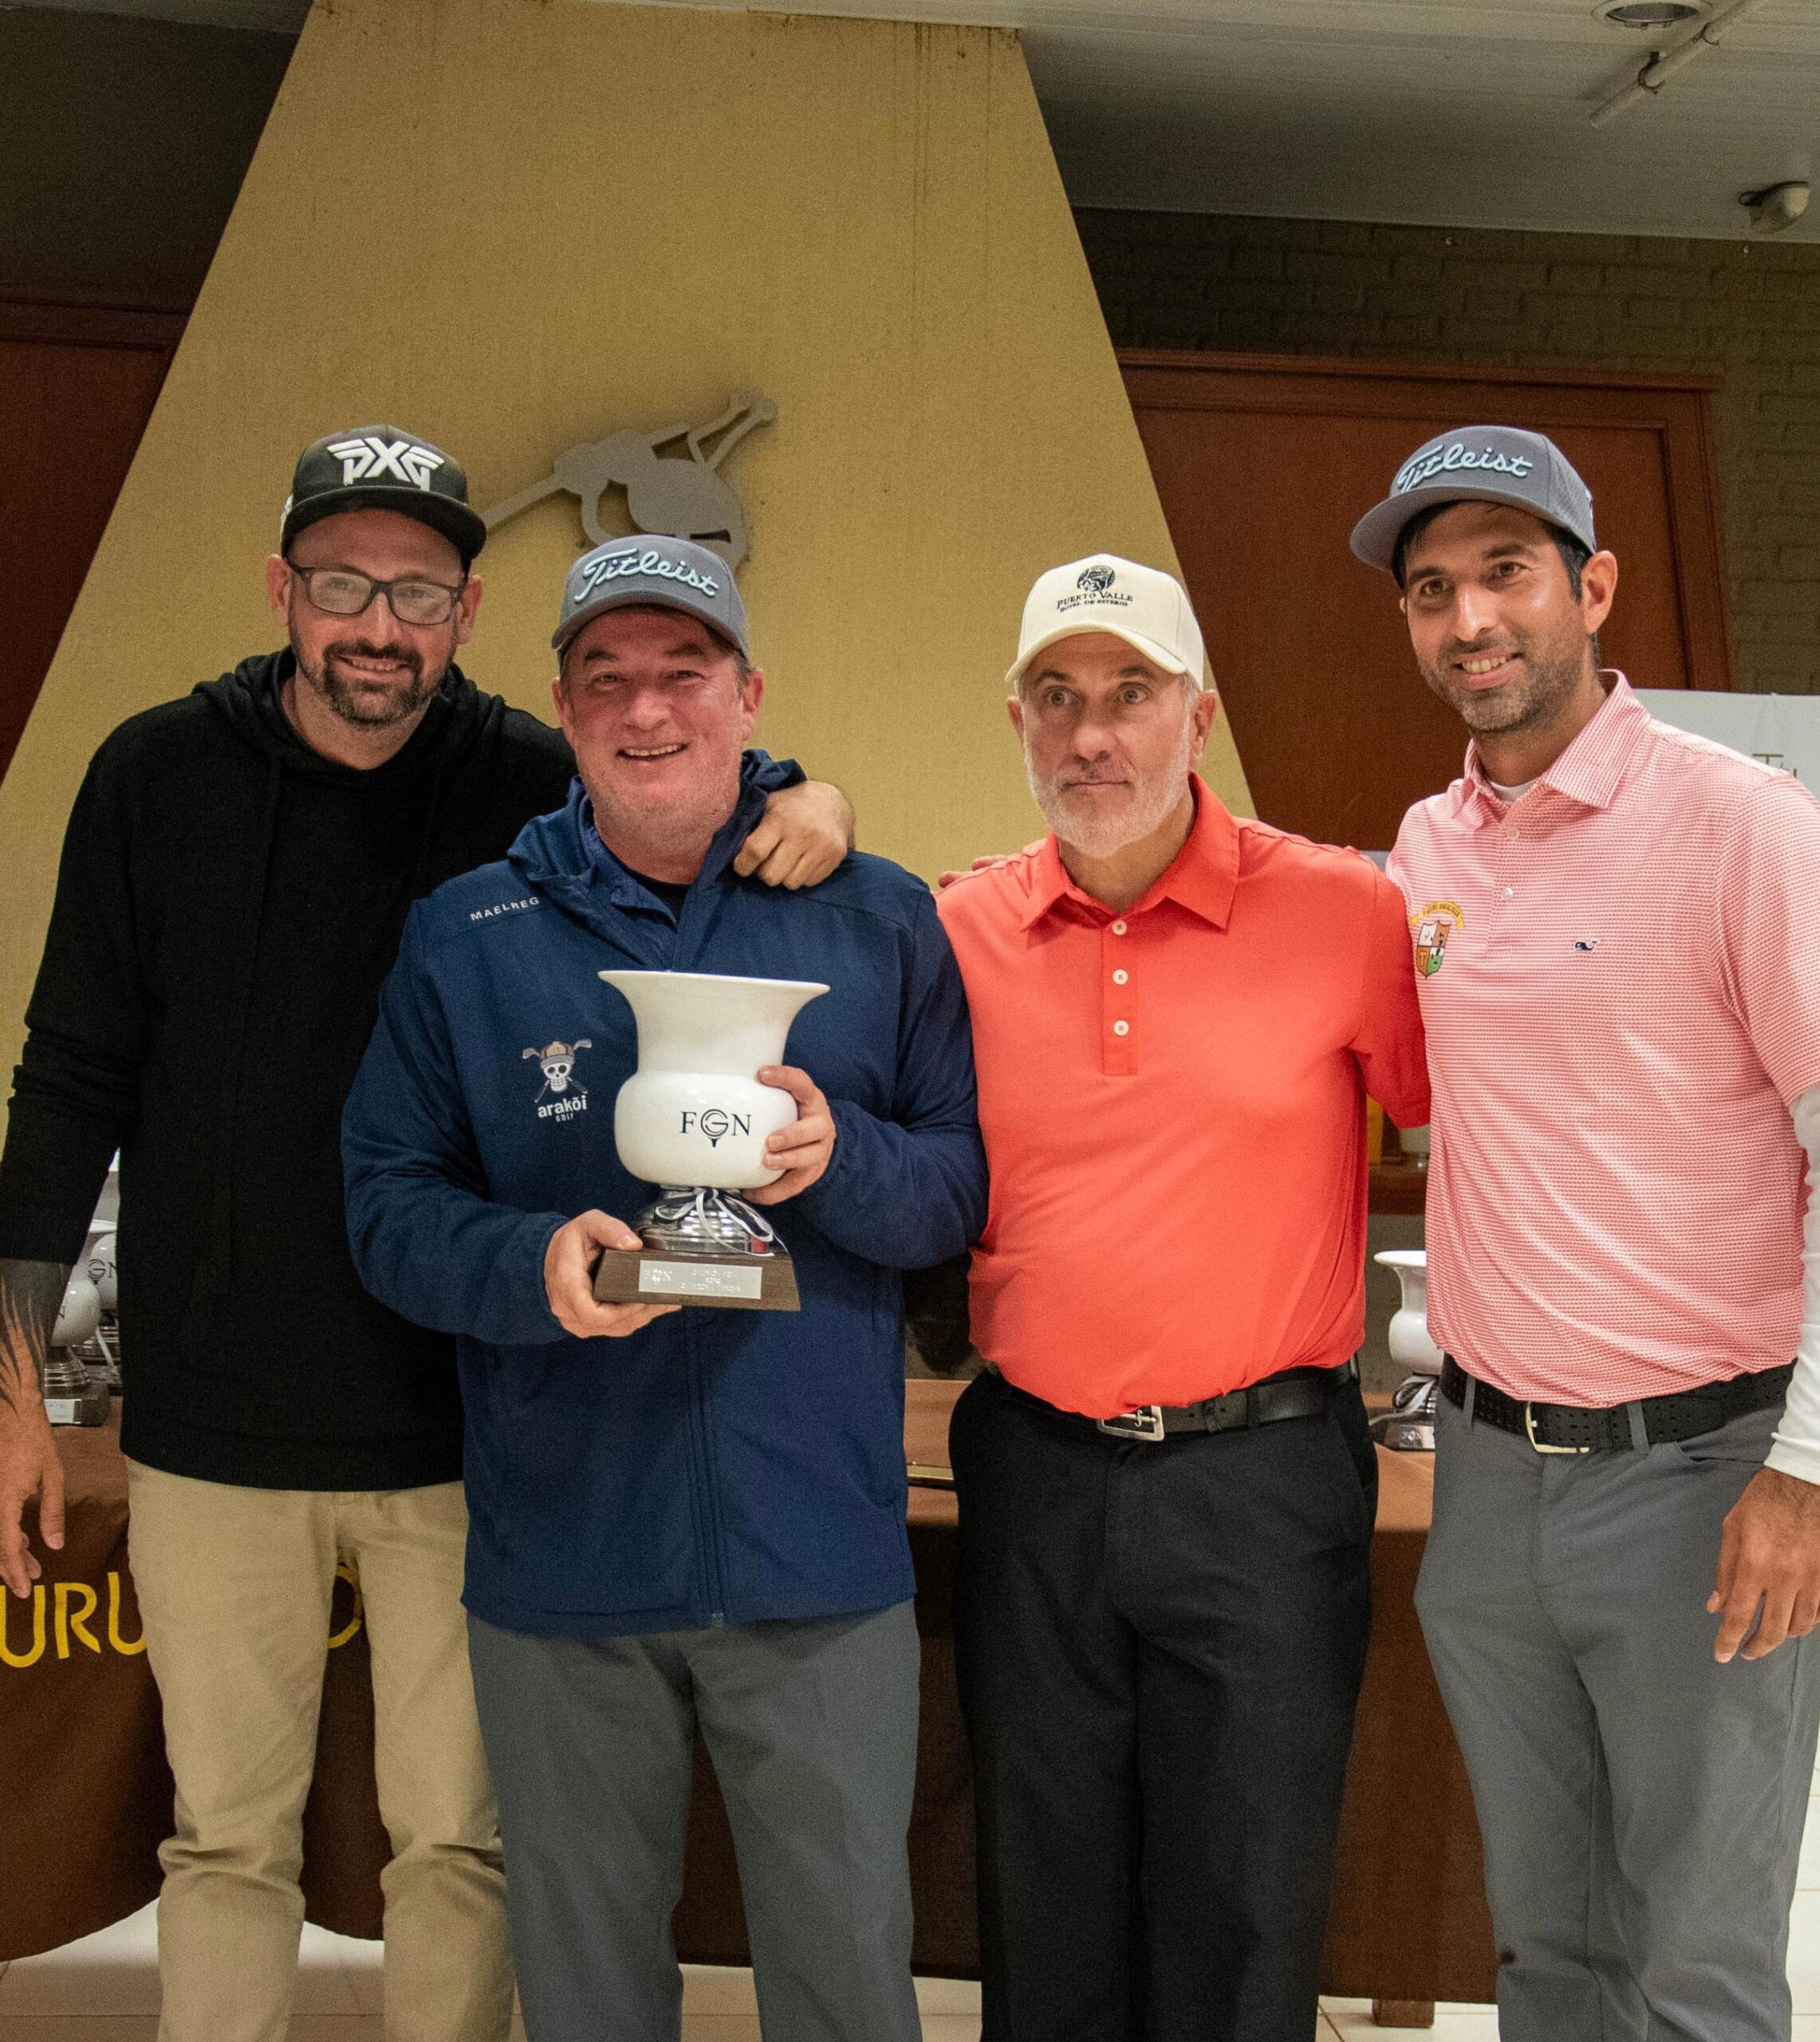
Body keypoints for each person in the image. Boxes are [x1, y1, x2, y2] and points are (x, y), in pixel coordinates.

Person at [0, 428, 851, 2042]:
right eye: (342, 584)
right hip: (207, 1431)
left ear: (462, 612)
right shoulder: (150, 776)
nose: (375, 624)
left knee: (458, 1842)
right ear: (283, 590)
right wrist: (14, 1389)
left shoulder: (527, 780)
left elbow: (689, 776)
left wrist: (812, 788)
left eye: (415, 590)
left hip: (467, 1423)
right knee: (223, 1837)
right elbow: (65, 1081)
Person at [341, 534, 987, 2042]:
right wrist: (528, 1265)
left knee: (841, 1976)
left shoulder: (876, 916)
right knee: (585, 1990)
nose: (649, 711)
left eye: (684, 673)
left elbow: (959, 1188)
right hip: (565, 1562)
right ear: (559, 710)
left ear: (749, 694)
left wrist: (842, 1159)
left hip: (816, 1555)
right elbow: (382, 1205)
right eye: (607, 679)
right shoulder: (466, 934)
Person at [1353, 424, 1820, 2042]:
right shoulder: (1422, 854)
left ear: (1592, 586)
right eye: (1431, 589)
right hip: (1487, 1481)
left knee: (1696, 1962)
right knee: (1545, 1954)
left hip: (1702, 1480)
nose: (1468, 618)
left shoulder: (1742, 823)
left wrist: (1804, 1467)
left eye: (1505, 572)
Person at [933, 554, 1428, 2041]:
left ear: (1196, 717)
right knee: (1041, 1890)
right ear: (1014, 721)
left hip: (1263, 1476)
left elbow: (1470, 1135)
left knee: (1245, 1900)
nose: (1094, 736)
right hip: (1032, 1467)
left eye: (1130, 695)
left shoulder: (1349, 915)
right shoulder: (949, 931)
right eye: (1058, 699)